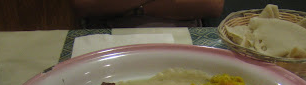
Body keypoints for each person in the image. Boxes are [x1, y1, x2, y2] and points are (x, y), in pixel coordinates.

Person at [70, 0, 224, 28]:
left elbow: (212, 5)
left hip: (184, 33)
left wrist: (135, 9)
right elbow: (83, 6)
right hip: (108, 33)